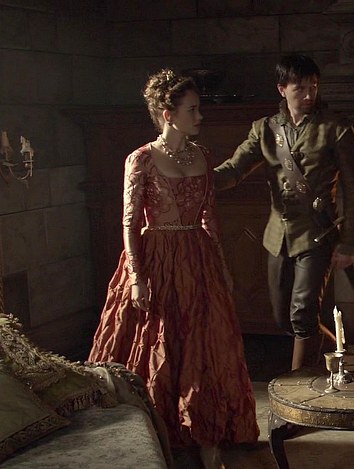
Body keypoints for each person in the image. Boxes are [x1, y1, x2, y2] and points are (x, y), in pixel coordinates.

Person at [88, 69, 259, 469]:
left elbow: (210, 218)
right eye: (192, 110)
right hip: (158, 257)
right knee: (158, 343)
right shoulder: (141, 159)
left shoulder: (202, 156)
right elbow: (130, 223)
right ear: (168, 114)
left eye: (198, 109)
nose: (200, 116)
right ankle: (156, 433)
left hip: (197, 258)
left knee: (204, 345)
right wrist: (137, 278)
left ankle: (206, 433)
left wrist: (221, 267)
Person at [214, 54, 354, 370]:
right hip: (277, 236)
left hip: (317, 234)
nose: (309, 95)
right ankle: (338, 356)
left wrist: (349, 241)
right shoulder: (264, 130)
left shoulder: (335, 128)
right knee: (284, 317)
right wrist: (194, 179)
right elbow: (234, 169)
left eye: (314, 87)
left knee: (302, 313)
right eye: (301, 88)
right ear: (282, 89)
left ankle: (297, 390)